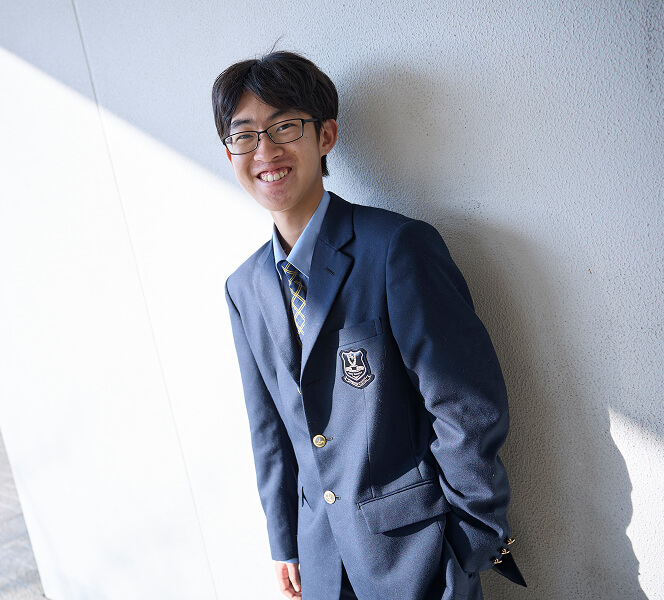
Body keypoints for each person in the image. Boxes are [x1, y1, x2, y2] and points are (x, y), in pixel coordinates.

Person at [214, 51, 525, 600]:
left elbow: (465, 407)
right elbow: (270, 431)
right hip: (321, 563)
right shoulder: (245, 287)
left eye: (284, 127)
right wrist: (285, 542)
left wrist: (470, 540)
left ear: (326, 135)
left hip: (419, 558)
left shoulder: (397, 248)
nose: (265, 151)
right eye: (245, 135)